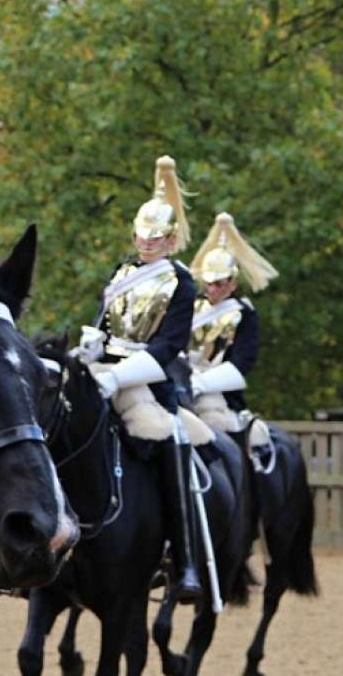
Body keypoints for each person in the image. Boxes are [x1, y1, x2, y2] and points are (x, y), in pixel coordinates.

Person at [75, 155, 203, 602]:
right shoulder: (122, 274)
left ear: (171, 240)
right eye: (142, 237)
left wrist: (117, 378)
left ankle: (182, 559)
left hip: (144, 380)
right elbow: (105, 324)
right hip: (104, 368)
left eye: (156, 238)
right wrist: (90, 345)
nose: (147, 244)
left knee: (169, 436)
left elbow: (167, 348)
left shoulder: (183, 284)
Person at [185, 212, 278, 450]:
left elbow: (242, 363)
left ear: (233, 284)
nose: (212, 289)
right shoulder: (189, 307)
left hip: (217, 392)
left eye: (219, 284)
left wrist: (201, 384)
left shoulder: (243, 314)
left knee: (228, 430)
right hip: (180, 381)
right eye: (209, 283)